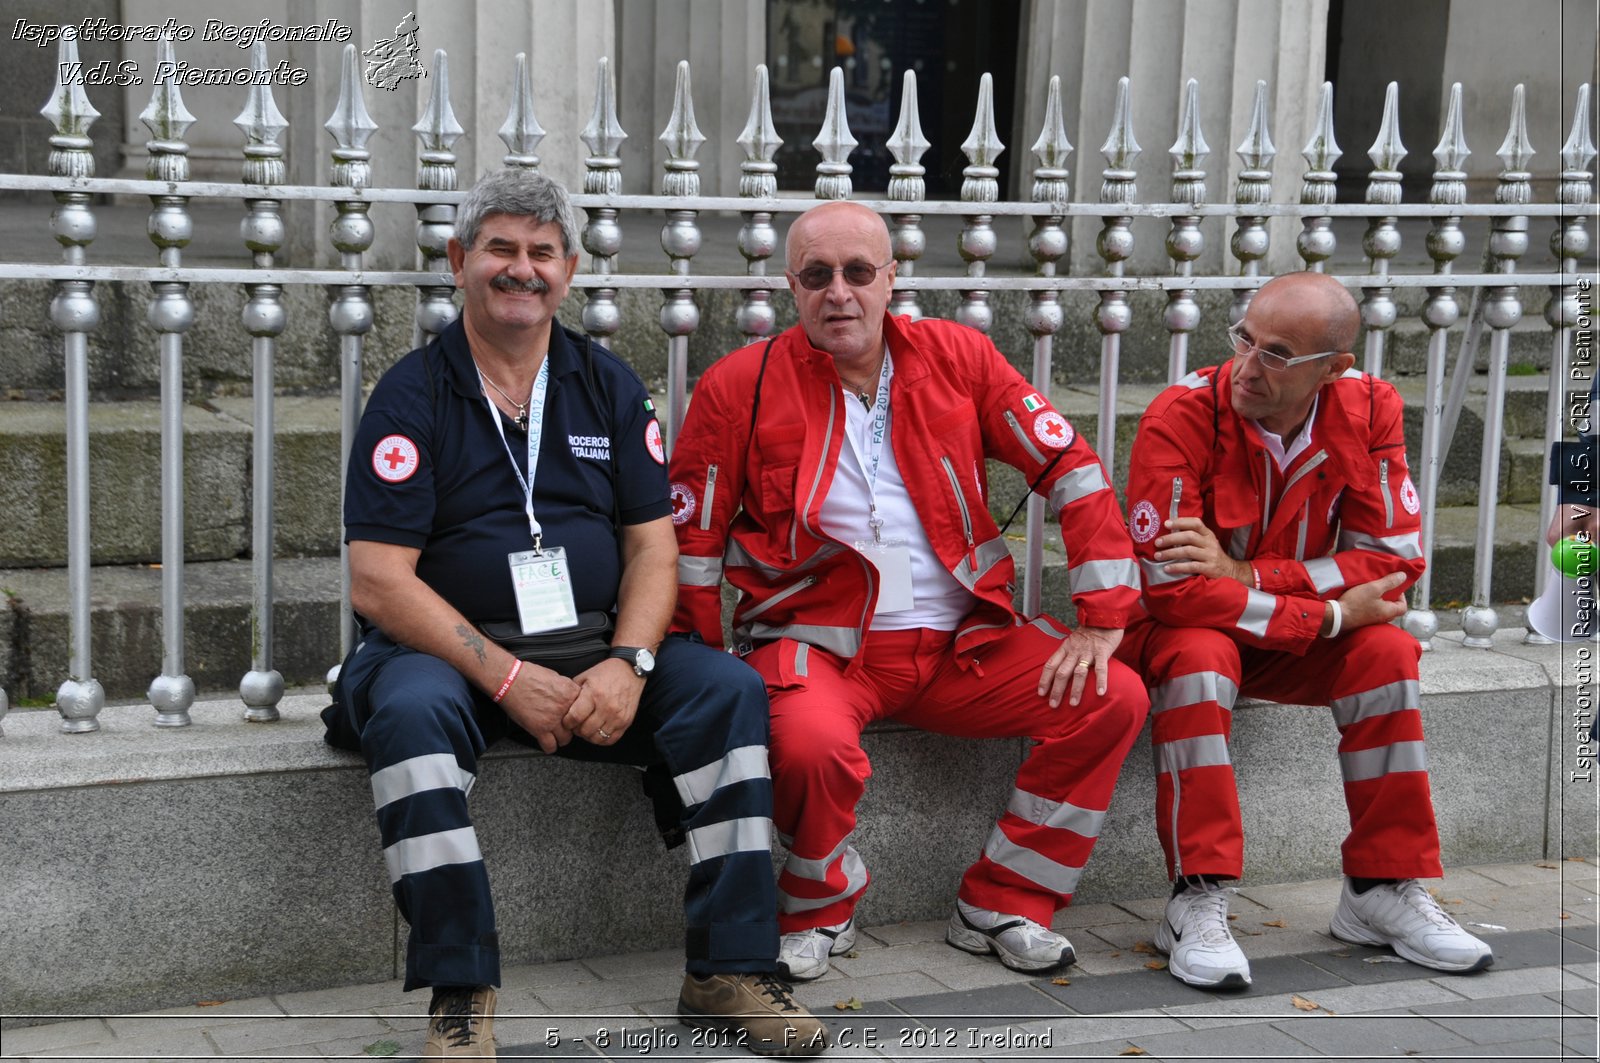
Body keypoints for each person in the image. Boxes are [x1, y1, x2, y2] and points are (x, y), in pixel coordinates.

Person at [321, 169, 826, 1059]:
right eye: (501, 250)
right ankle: (461, 987)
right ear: (459, 262)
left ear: (569, 269)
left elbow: (653, 549)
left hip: (594, 647)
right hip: (447, 656)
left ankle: (726, 969)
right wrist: (508, 678)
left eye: (541, 253)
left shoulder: (604, 384)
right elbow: (379, 582)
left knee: (724, 689)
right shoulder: (413, 395)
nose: (522, 270)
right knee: (405, 714)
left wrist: (629, 663)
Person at [666, 200, 1149, 982]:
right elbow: (692, 543)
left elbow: (1073, 468)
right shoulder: (739, 386)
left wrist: (1102, 618)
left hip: (965, 642)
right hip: (819, 645)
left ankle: (1006, 897)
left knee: (1114, 695)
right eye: (817, 276)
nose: (839, 293)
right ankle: (822, 901)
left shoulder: (960, 356)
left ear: (893, 279)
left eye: (859, 272)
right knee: (810, 746)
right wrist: (700, 660)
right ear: (791, 286)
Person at [1117, 270, 1493, 990]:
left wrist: (1248, 574)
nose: (1248, 366)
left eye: (1278, 353)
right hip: (1181, 634)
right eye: (1245, 339)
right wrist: (1324, 611)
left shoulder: (1371, 406)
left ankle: (1380, 888)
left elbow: (1392, 560)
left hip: (1272, 628)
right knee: (1199, 653)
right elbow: (1172, 591)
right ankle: (1195, 897)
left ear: (1334, 368)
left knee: (1385, 647)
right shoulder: (1181, 415)